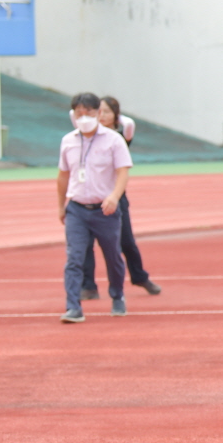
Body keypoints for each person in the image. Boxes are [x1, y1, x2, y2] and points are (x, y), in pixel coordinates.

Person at [56, 92, 132, 323]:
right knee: (74, 257)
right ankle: (73, 306)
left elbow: (123, 171)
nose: (84, 117)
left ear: (98, 113)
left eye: (88, 112)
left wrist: (114, 197)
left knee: (112, 256)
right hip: (77, 208)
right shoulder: (68, 141)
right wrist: (61, 205)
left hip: (105, 210)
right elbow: (63, 175)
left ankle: (117, 295)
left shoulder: (114, 140)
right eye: (79, 113)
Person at [80, 96, 161, 299]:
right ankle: (88, 286)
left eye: (106, 112)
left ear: (115, 115)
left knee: (126, 241)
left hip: (116, 195)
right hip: (90, 195)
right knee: (85, 243)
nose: (102, 116)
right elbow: (74, 115)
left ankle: (140, 276)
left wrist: (115, 118)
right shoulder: (87, 136)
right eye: (99, 112)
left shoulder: (120, 137)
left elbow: (129, 123)